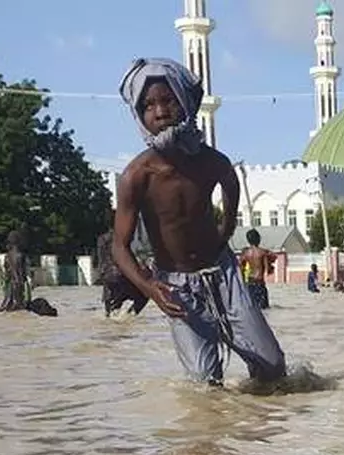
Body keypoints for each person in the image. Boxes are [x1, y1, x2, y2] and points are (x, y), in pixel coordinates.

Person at [112, 57, 285, 385]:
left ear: (187, 102)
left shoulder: (210, 162)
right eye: (148, 105)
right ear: (138, 115)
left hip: (223, 273)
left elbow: (230, 181)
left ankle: (262, 429)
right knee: (206, 384)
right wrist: (151, 288)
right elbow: (120, 247)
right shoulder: (136, 176)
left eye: (168, 100)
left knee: (273, 367)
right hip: (175, 285)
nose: (160, 111)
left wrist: (226, 227)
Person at [97, 226, 149, 316]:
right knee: (145, 294)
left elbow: (100, 260)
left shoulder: (101, 238)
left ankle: (115, 314)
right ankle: (130, 316)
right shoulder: (124, 238)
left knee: (110, 312)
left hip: (107, 276)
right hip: (122, 274)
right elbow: (129, 257)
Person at [0, 230, 30, 312]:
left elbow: (6, 270)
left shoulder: (7, 255)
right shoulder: (21, 255)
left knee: (8, 297)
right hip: (19, 280)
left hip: (10, 280)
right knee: (19, 301)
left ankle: (6, 305)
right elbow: (23, 270)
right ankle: (15, 305)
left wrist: (5, 279)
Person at [239, 228, 276, 309]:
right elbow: (268, 269)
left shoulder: (245, 253)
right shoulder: (263, 253)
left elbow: (240, 268)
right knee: (264, 309)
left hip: (249, 284)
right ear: (258, 239)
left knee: (252, 308)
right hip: (260, 284)